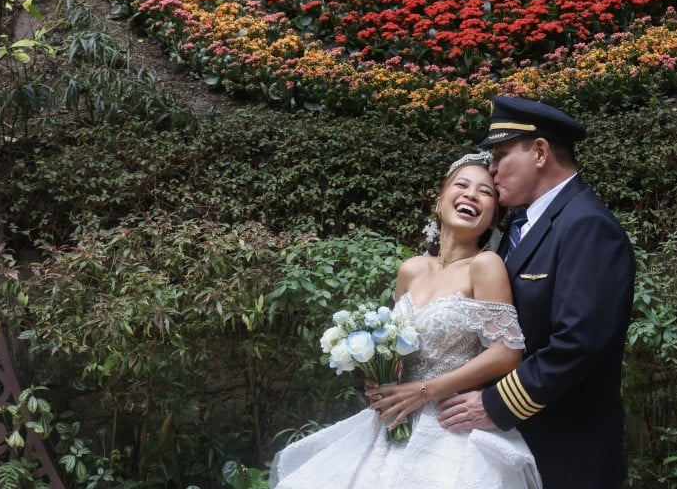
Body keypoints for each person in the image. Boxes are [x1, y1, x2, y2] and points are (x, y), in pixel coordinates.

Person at [269, 151, 542, 489]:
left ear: (491, 219)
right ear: (440, 201)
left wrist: (426, 391)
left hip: (448, 423)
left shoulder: (485, 266)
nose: (472, 194)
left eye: (485, 192)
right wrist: (381, 375)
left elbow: (507, 352)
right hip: (393, 418)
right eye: (462, 185)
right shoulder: (411, 269)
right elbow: (399, 343)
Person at [437, 96, 637, 489]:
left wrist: (495, 404)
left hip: (565, 450)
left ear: (541, 151)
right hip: (504, 447)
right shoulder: (516, 224)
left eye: (501, 154)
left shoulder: (587, 225)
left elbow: (578, 342)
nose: (491, 169)